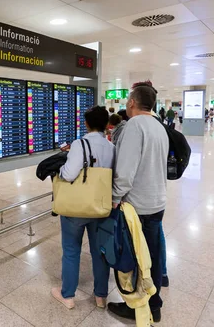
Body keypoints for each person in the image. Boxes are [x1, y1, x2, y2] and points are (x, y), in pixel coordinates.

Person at [109, 81, 169, 323]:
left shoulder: (134, 126)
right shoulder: (159, 126)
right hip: (157, 201)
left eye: (127, 100)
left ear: (132, 102)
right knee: (151, 256)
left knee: (133, 259)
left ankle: (136, 306)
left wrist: (114, 198)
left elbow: (125, 171)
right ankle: (154, 305)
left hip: (137, 206)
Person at [50, 106, 114, 310]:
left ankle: (68, 295)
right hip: (101, 207)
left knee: (71, 250)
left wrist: (60, 166)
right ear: (106, 125)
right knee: (99, 252)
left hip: (76, 208)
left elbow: (68, 174)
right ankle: (101, 296)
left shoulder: (79, 144)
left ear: (86, 123)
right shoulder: (112, 147)